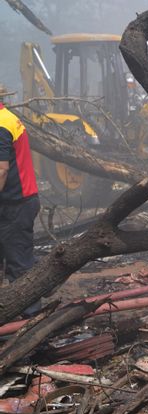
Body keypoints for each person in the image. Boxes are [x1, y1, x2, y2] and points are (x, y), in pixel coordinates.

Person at [0, 85, 41, 316]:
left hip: (15, 206)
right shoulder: (7, 118)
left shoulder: (1, 125)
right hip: (14, 203)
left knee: (20, 266)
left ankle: (31, 324)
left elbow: (1, 171)